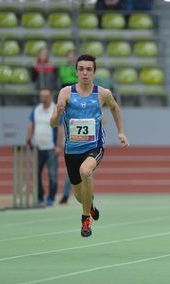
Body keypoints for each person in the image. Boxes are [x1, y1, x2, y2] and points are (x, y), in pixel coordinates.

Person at [50, 54, 130, 237]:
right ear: (76, 72)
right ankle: (90, 205)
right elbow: (53, 123)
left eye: (88, 69)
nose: (84, 72)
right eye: (81, 69)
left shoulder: (103, 93)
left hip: (94, 146)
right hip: (72, 150)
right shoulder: (66, 93)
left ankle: (86, 220)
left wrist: (121, 132)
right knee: (79, 195)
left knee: (86, 171)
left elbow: (115, 109)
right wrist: (57, 113)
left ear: (94, 72)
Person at [26, 88, 63, 207]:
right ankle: (40, 198)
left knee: (52, 175)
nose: (43, 99)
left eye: (45, 96)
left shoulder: (55, 109)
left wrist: (58, 145)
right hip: (38, 147)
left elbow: (60, 129)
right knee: (37, 175)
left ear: (51, 97)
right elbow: (31, 124)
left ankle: (51, 198)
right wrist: (28, 139)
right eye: (41, 96)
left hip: (51, 148)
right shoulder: (36, 110)